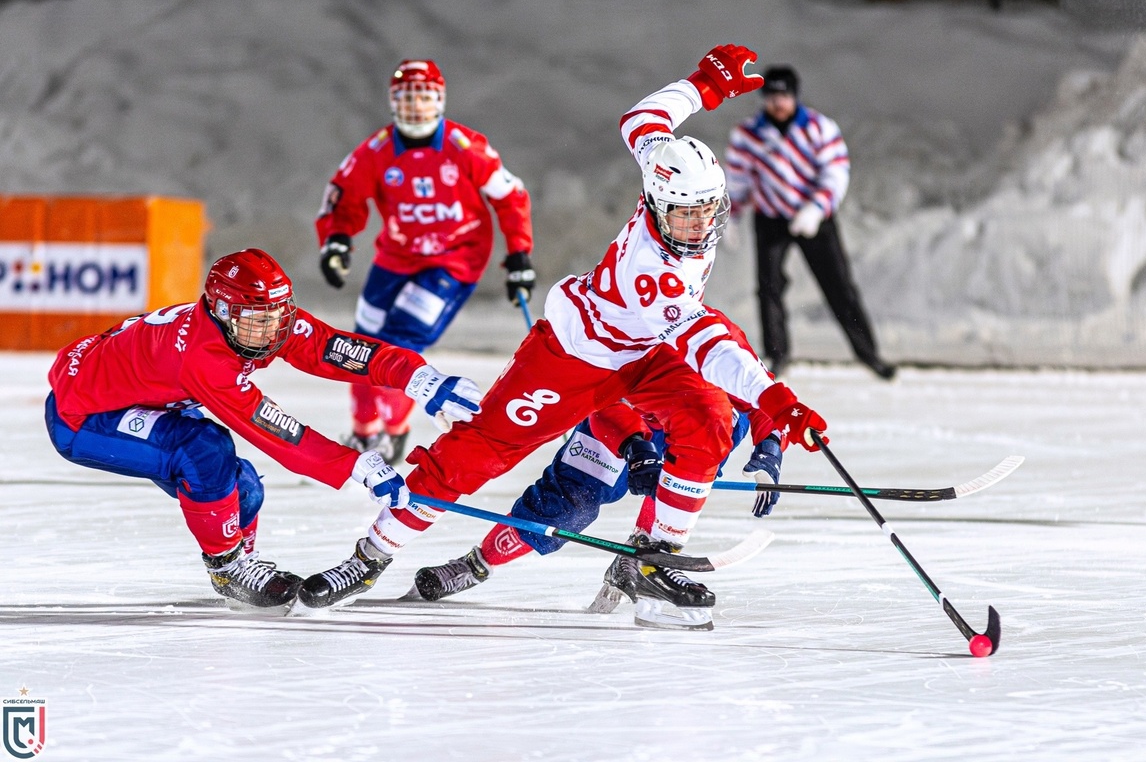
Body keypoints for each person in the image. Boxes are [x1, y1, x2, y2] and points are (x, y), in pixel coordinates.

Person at [299, 44, 830, 629]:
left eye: (709, 212)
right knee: (476, 454)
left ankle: (651, 565)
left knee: (706, 419)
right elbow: (708, 344)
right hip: (573, 358)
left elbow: (641, 121)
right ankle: (371, 555)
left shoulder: (664, 179)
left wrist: (702, 86)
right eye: (685, 216)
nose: (700, 228)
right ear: (655, 205)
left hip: (643, 353)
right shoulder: (656, 271)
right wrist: (776, 399)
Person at [43, 248, 482, 610]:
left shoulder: (256, 320)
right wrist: (358, 465)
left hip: (139, 395)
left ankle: (240, 559)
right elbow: (275, 433)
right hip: (85, 416)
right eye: (258, 318)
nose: (273, 329)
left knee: (244, 489)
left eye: (279, 312)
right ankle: (227, 565)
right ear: (220, 311)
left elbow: (335, 348)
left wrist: (419, 378)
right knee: (204, 448)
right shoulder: (205, 357)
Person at [315, 58, 535, 466]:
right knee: (359, 346)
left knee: (399, 346)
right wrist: (336, 241)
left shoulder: (465, 146)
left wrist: (519, 252)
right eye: (407, 98)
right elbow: (343, 194)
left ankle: (394, 429)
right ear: (393, 102)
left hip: (453, 261)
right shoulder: (377, 150)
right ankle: (364, 428)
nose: (416, 107)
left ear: (440, 100)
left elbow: (510, 196)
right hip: (396, 257)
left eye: (425, 97)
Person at [409, 396, 784, 630]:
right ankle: (477, 563)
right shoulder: (632, 325)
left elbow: (760, 392)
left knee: (711, 438)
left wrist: (770, 445)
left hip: (682, 425)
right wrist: (634, 444)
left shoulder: (712, 342)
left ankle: (645, 553)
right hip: (621, 417)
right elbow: (599, 393)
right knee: (568, 506)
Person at [725, 65, 895, 380]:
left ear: (795, 96)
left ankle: (869, 353)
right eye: (771, 96)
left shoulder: (819, 128)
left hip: (814, 219)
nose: (778, 103)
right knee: (768, 288)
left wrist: (816, 208)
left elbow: (836, 170)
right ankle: (777, 355)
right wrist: (731, 214)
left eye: (784, 96)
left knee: (840, 287)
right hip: (770, 218)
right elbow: (738, 178)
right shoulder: (749, 134)